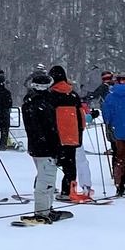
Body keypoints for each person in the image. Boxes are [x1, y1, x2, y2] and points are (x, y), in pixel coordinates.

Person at [12, 70, 73, 226]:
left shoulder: (30, 102)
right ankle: (41, 212)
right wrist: (57, 147)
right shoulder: (42, 104)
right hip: (45, 147)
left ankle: (47, 208)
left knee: (47, 178)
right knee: (45, 180)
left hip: (37, 146)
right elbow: (49, 129)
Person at [46, 65, 88, 202]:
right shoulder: (73, 95)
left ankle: (45, 188)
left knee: (49, 163)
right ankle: (68, 191)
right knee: (70, 166)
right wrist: (80, 131)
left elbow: (48, 117)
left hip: (56, 136)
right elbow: (81, 116)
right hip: (72, 136)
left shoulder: (50, 95)